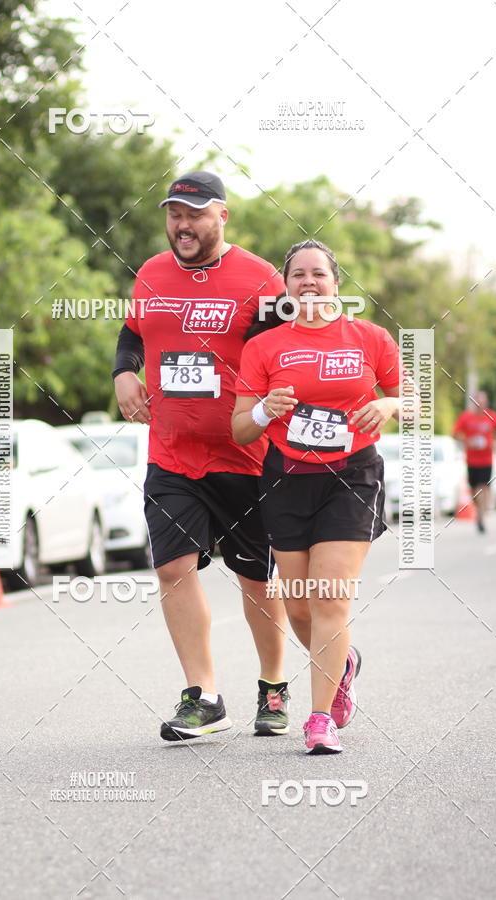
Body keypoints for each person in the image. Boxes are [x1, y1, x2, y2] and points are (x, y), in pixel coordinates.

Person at [112, 171, 290, 741]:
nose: (182, 225)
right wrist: (123, 373)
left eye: (195, 214)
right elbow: (134, 332)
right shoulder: (152, 273)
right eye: (175, 214)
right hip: (172, 452)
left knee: (256, 580)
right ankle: (205, 696)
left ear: (222, 217)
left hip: (246, 455)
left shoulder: (261, 279)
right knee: (171, 568)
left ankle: (273, 687)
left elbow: (286, 352)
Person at [232, 239, 401, 754]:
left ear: (336, 283)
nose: (308, 282)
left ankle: (320, 718)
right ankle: (343, 664)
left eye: (318, 274)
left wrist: (390, 405)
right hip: (286, 477)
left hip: (351, 476)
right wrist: (265, 410)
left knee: (330, 598)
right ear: (286, 286)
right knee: (300, 607)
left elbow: (415, 399)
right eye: (298, 275)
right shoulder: (264, 348)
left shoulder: (368, 338)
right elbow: (240, 428)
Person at [453, 391, 496, 532]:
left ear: (486, 403)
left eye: (483, 402)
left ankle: (481, 518)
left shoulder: (493, 417)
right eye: (477, 402)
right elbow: (455, 434)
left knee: (483, 487)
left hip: (486, 460)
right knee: (474, 490)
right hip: (471, 460)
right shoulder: (466, 417)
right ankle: (480, 511)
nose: (480, 405)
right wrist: (468, 441)